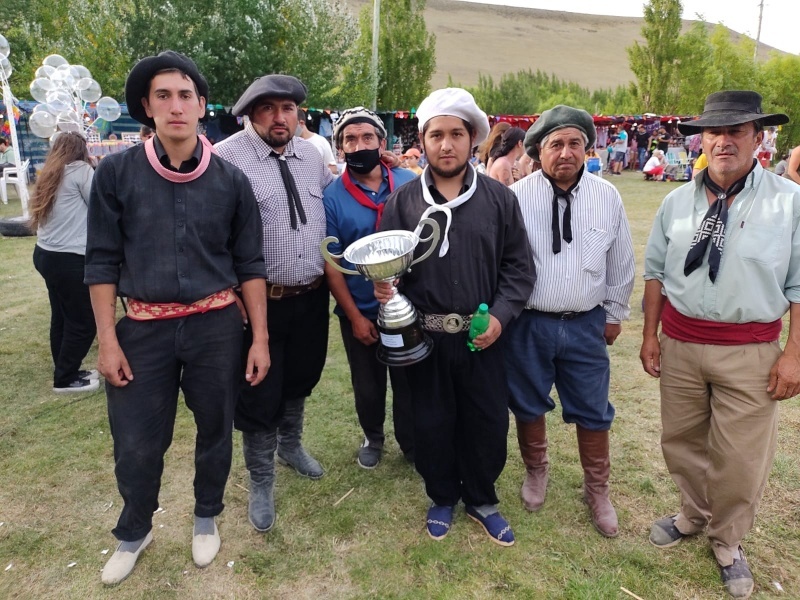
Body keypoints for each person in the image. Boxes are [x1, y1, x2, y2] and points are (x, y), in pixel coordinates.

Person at [85, 51, 269, 585]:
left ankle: (205, 514)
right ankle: (135, 529)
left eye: (185, 95)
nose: (175, 106)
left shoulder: (232, 181)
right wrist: (107, 340)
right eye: (162, 96)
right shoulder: (117, 174)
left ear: (202, 105)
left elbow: (249, 264)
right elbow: (101, 262)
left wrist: (258, 337)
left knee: (215, 428)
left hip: (216, 328)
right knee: (137, 441)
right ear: (146, 107)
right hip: (141, 327)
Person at [640, 90, 799, 599]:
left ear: (758, 138)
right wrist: (650, 335)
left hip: (751, 350)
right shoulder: (674, 202)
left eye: (736, 131)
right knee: (681, 441)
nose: (724, 141)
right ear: (701, 140)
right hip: (682, 344)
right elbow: (656, 276)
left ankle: (728, 540)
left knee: (740, 458)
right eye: (714, 132)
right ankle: (692, 513)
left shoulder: (789, 202)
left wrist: (794, 355)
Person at [374, 88, 534, 546]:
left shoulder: (499, 201)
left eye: (456, 134)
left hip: (483, 339)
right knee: (431, 422)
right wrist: (384, 286)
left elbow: (519, 269)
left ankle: (482, 499)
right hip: (423, 341)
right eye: (437, 135)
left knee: (486, 421)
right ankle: (441, 495)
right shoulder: (402, 203)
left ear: (473, 139)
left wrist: (500, 318)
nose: (447, 145)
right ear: (422, 140)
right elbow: (387, 264)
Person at [506, 105, 635, 539]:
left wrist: (615, 314)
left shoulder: (607, 195)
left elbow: (621, 260)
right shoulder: (517, 197)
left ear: (587, 148)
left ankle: (597, 489)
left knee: (594, 410)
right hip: (528, 323)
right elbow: (503, 264)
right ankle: (536, 471)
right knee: (527, 401)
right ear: (538, 150)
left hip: (586, 324)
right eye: (555, 144)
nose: (565, 152)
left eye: (574, 143)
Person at [215, 74, 334, 532]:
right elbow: (212, 235)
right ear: (249, 113)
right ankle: (261, 479)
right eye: (268, 109)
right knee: (259, 391)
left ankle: (291, 445)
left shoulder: (311, 155)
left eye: (288, 108)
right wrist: (229, 293)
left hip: (309, 296)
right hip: (257, 302)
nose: (280, 117)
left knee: (300, 378)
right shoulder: (226, 158)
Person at [323, 107, 417, 469]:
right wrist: (354, 317)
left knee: (409, 377)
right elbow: (332, 266)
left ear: (381, 142)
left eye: (366, 137)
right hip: (360, 308)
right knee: (367, 382)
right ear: (340, 147)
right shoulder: (332, 197)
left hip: (409, 307)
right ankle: (373, 437)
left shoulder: (408, 183)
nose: (358, 144)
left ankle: (411, 441)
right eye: (350, 139)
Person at [29, 132, 98, 393]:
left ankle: (64, 368)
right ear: (81, 149)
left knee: (62, 316)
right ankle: (65, 377)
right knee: (84, 321)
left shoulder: (49, 172)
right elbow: (99, 203)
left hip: (46, 254)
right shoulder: (80, 170)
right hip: (70, 258)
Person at [297, 108, 338, 175]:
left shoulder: (320, 141)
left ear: (301, 123)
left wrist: (317, 172)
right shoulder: (288, 144)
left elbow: (333, 168)